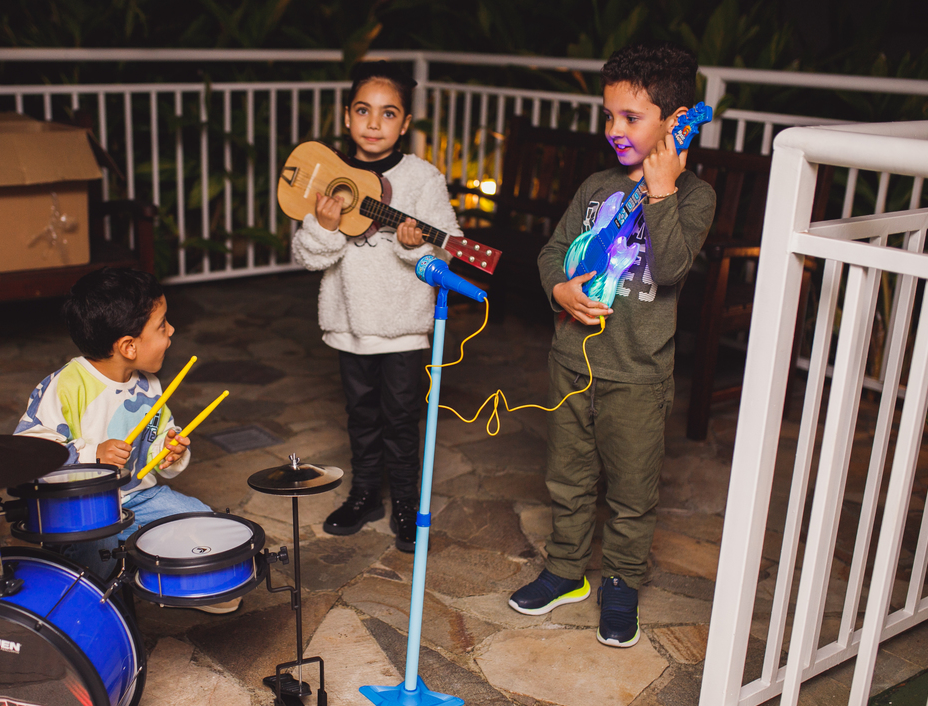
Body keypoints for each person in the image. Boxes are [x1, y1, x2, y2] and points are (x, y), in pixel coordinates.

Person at [507, 43, 716, 647]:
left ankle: (622, 583)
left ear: (675, 123)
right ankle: (565, 570)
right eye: (609, 116)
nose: (614, 129)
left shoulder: (692, 198)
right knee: (566, 478)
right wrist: (559, 288)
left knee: (630, 491)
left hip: (638, 375)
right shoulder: (596, 187)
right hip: (571, 362)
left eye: (631, 117)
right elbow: (552, 251)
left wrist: (662, 190)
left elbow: (672, 267)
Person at [291, 61, 461, 553]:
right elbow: (308, 256)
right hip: (348, 323)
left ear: (405, 124)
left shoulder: (423, 179)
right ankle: (366, 494)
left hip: (404, 326)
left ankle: (405, 501)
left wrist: (414, 246)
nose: (373, 123)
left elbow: (451, 248)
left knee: (401, 417)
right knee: (361, 414)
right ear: (347, 116)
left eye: (388, 114)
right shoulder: (329, 177)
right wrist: (323, 225)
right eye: (363, 111)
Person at [13, 267, 238, 613]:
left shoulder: (148, 383)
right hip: (83, 509)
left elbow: (159, 433)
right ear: (129, 346)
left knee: (203, 521)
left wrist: (170, 449)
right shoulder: (66, 386)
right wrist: (92, 454)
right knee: (97, 552)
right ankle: (94, 600)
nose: (172, 331)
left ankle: (185, 582)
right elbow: (29, 450)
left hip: (140, 495)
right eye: (163, 325)